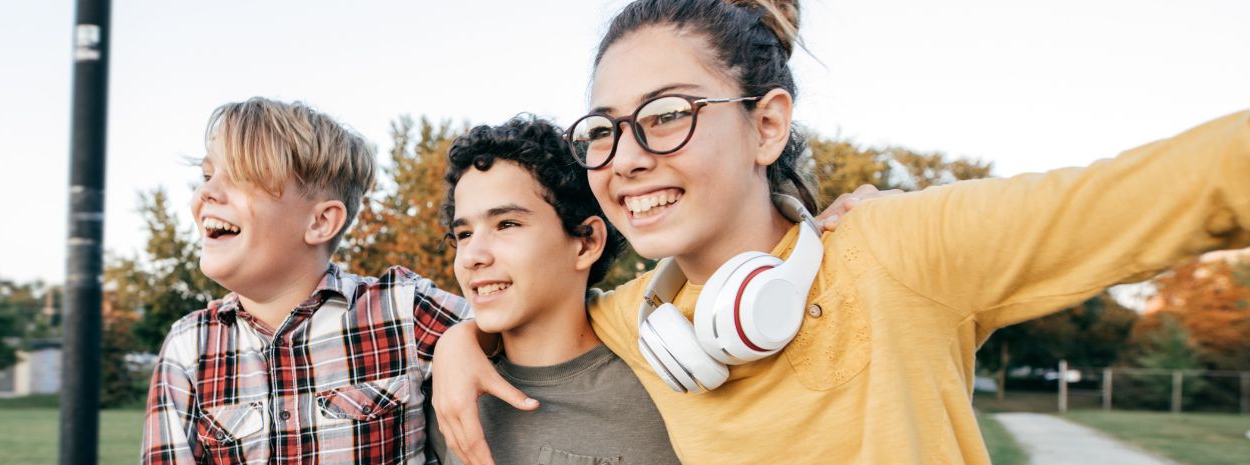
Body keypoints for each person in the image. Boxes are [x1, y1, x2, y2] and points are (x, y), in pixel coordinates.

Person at [429, 0, 1250, 464]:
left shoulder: (903, 247)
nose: (628, 158)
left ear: (767, 127)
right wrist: (461, 341)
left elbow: (1194, 179)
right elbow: (524, 306)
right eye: (605, 130)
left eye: (669, 115)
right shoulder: (643, 320)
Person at [140, 97, 470, 465]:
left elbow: (517, 328)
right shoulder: (189, 348)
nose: (204, 194)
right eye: (206, 176)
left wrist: (465, 340)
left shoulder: (403, 310)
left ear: (320, 222)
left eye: (240, 176)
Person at [428, 115, 679, 464]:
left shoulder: (668, 386)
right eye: (464, 234)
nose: (472, 256)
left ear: (586, 243)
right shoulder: (446, 397)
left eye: (507, 224)